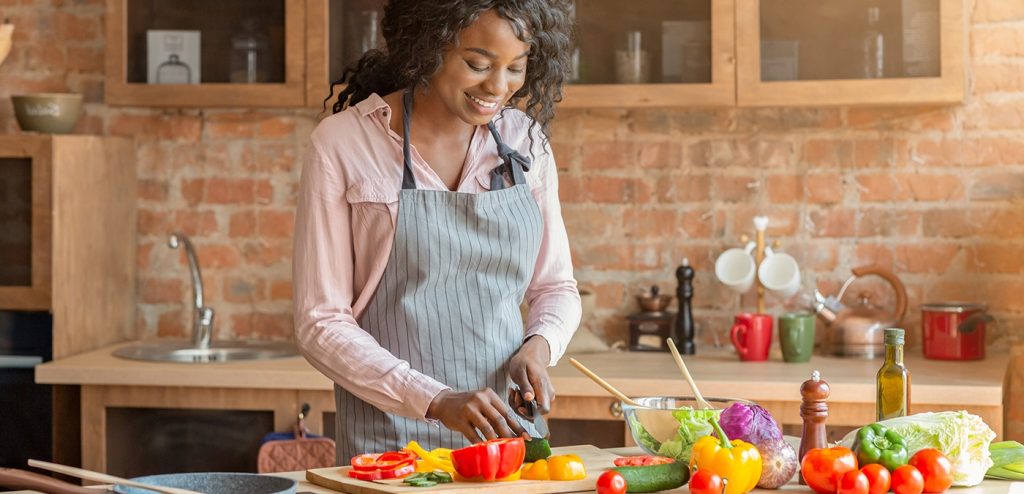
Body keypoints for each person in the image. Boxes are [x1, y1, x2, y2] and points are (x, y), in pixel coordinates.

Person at [292, 0, 581, 464]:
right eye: (478, 65)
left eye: (516, 69)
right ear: (428, 47)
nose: (498, 87)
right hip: (388, 446)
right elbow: (320, 322)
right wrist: (436, 400)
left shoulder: (526, 142)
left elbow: (555, 287)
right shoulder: (345, 144)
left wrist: (538, 347)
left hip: (506, 438)